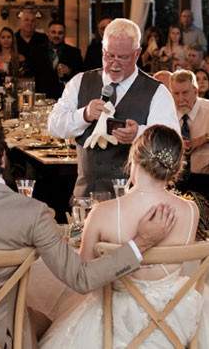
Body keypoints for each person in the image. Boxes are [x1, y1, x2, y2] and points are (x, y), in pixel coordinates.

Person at [0, 116, 175, 347]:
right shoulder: (32, 213)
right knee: (49, 322)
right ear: (2, 158)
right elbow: (81, 279)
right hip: (3, 339)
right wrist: (141, 242)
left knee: (39, 319)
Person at [40, 125, 205, 349]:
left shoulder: (102, 213)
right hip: (175, 322)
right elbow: (187, 269)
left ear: (134, 157)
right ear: (175, 166)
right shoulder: (190, 211)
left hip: (116, 323)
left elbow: (84, 279)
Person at [48, 18, 180, 197]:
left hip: (135, 202)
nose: (114, 64)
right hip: (86, 197)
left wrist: (139, 134)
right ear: (103, 51)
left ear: (137, 54)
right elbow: (53, 127)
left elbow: (172, 145)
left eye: (123, 57)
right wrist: (84, 115)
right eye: (109, 55)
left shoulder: (157, 92)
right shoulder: (80, 82)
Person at [170, 69, 209, 197]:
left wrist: (203, 139)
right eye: (176, 93)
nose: (180, 98)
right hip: (175, 180)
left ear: (195, 91)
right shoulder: (167, 113)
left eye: (185, 93)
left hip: (205, 181)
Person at [29, 20, 83, 99]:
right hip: (41, 97)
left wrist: (69, 71)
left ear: (64, 34)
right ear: (48, 33)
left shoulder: (74, 52)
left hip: (65, 97)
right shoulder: (36, 51)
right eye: (53, 32)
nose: (56, 35)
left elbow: (81, 75)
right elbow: (31, 74)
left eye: (60, 33)